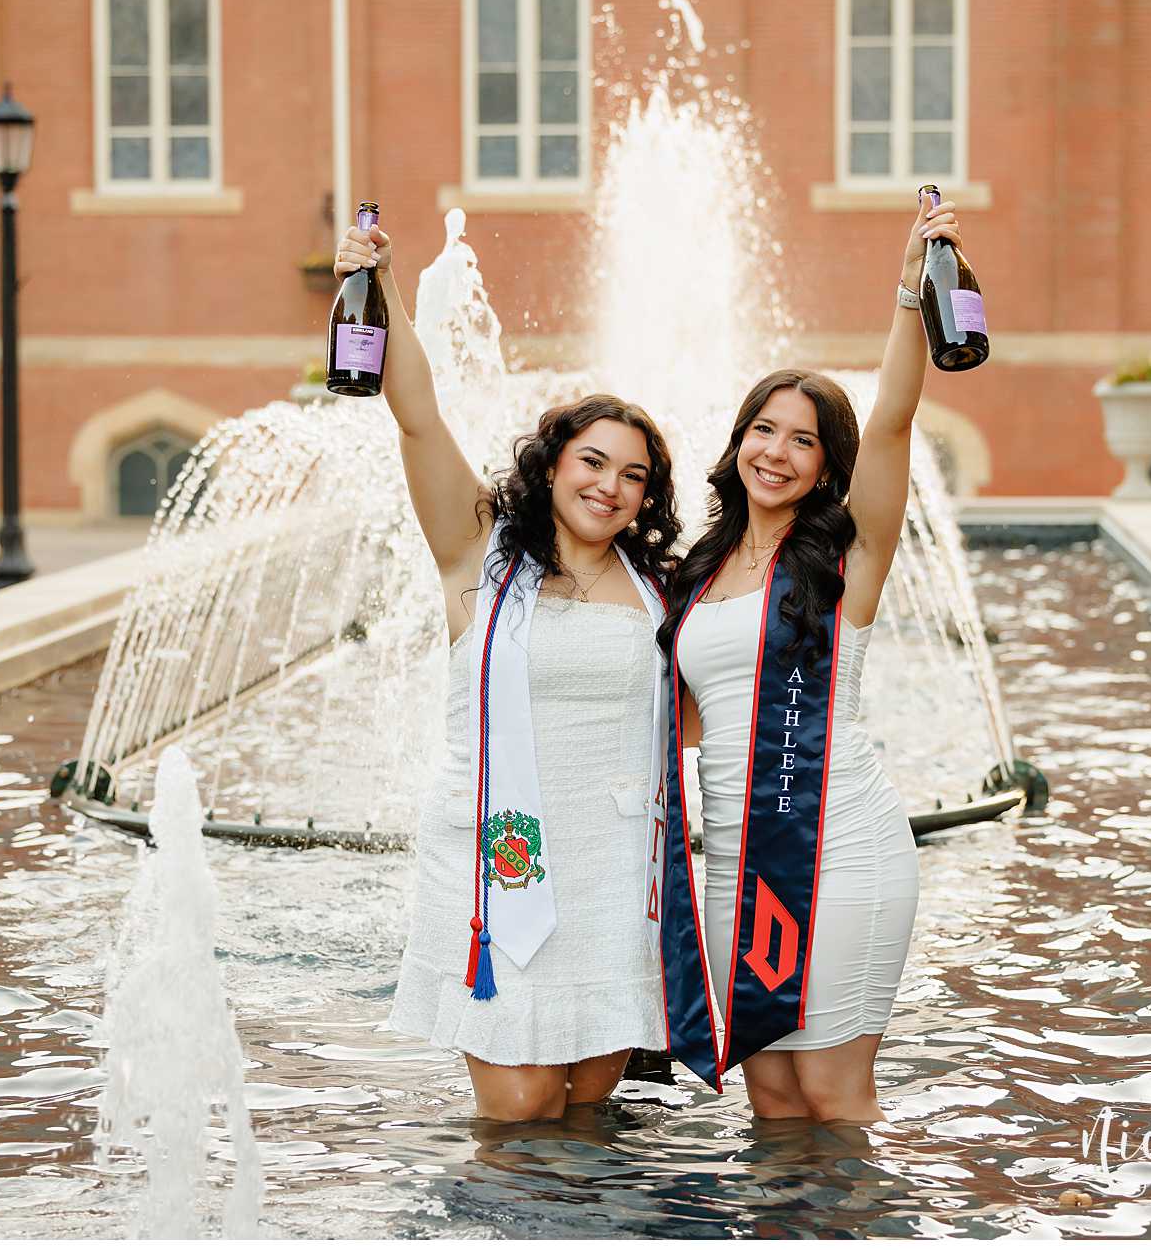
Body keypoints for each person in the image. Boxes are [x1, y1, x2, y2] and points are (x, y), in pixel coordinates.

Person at [331, 217, 680, 1122]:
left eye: (633, 476)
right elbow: (416, 418)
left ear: (649, 496)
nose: (609, 485)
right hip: (500, 862)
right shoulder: (481, 557)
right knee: (521, 1111)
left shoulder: (657, 589)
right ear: (552, 464)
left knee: (591, 1109)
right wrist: (385, 287)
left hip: (613, 867)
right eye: (592, 461)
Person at [653, 194, 966, 1123]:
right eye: (763, 430)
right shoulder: (697, 575)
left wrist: (911, 293)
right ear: (737, 441)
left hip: (841, 850)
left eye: (804, 440)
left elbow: (898, 420)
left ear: (829, 466)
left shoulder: (843, 560)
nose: (777, 453)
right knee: (773, 1099)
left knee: (832, 1092)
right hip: (733, 861)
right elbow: (682, 718)